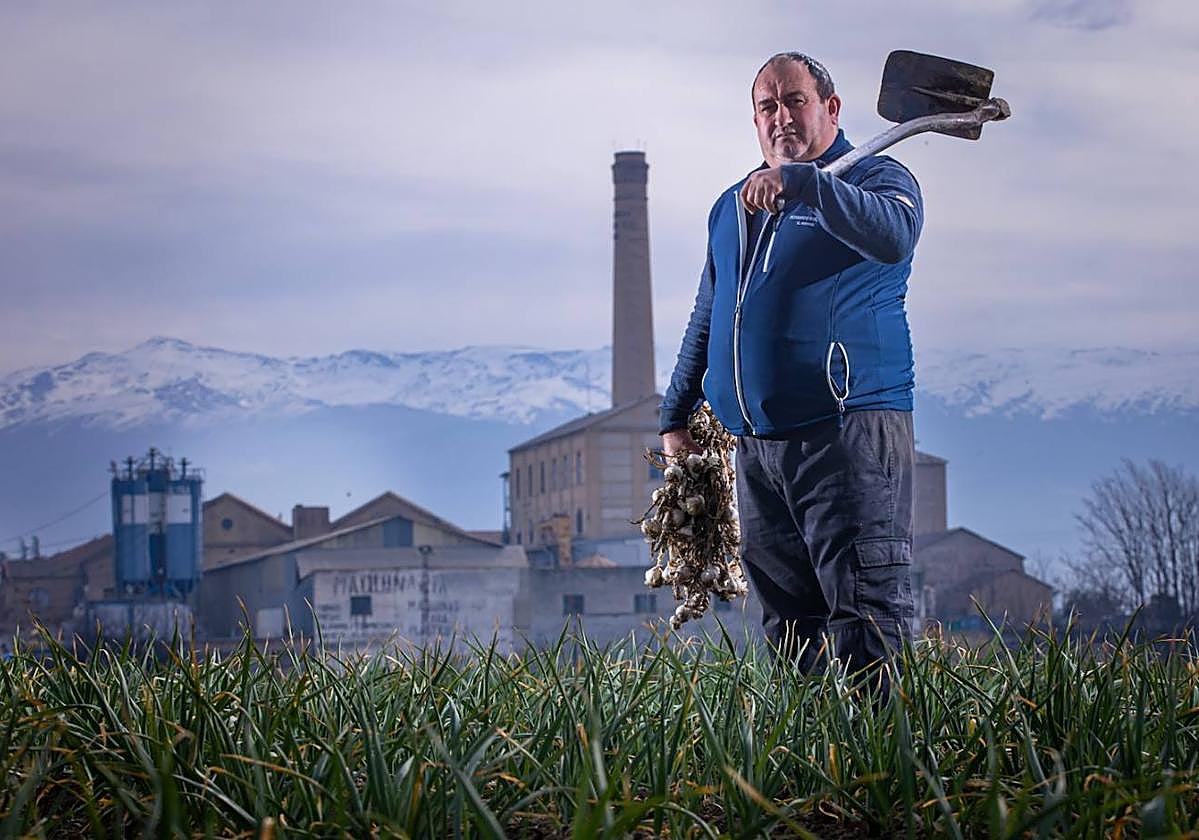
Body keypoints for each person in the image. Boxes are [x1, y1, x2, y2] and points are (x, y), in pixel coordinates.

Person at [659, 52, 922, 682]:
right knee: (786, 628)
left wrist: (807, 184)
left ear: (830, 108)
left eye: (795, 101)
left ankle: (884, 771)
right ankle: (804, 773)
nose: (781, 117)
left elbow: (893, 238)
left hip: (848, 433)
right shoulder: (733, 206)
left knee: (865, 612)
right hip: (759, 447)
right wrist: (676, 411)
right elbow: (710, 312)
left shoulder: (882, 183)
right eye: (767, 106)